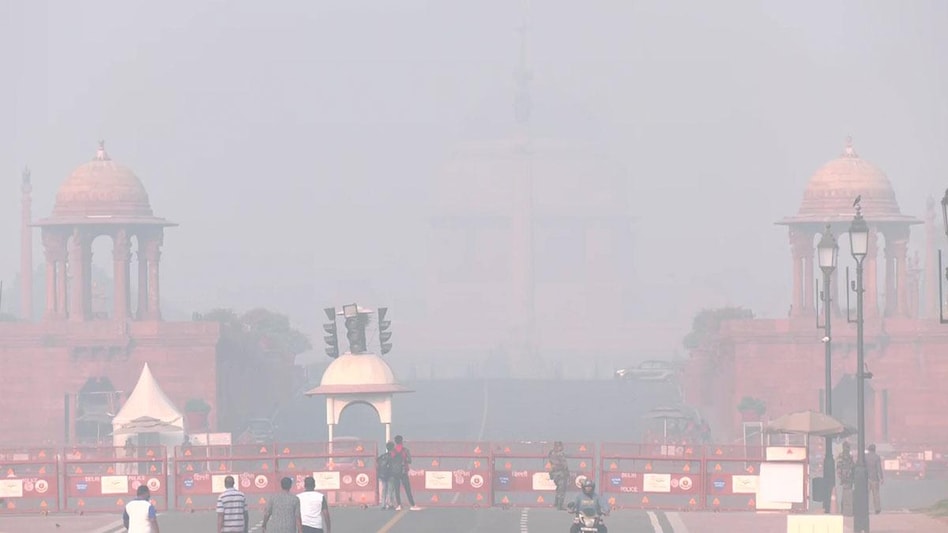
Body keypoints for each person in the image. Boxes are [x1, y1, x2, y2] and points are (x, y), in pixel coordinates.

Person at [390, 435, 420, 511]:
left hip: (395, 472)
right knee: (407, 489)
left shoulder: (393, 451)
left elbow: (391, 461)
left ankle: (399, 505)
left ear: (395, 442)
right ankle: (412, 505)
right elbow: (410, 461)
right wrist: (404, 460)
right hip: (403, 471)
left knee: (397, 489)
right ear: (401, 441)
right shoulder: (405, 450)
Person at [547, 441, 570, 510]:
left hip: (554, 474)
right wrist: (568, 474)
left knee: (558, 488)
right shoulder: (560, 454)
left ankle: (556, 503)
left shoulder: (551, 453)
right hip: (561, 473)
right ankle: (560, 505)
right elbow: (564, 465)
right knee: (562, 489)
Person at [836, 441, 855, 516]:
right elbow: (839, 467)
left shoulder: (847, 456)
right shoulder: (844, 456)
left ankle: (845, 510)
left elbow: (852, 466)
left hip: (847, 477)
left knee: (846, 494)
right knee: (846, 494)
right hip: (846, 477)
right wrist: (841, 476)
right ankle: (846, 510)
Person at [377, 441, 396, 509]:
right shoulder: (394, 456)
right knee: (391, 490)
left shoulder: (382, 456)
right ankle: (390, 504)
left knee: (384, 489)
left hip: (383, 475)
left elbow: (377, 463)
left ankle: (383, 504)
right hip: (391, 475)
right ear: (393, 447)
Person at [867, 444, 884, 514]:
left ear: (868, 449)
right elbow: (879, 468)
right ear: (874, 449)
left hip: (866, 478)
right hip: (875, 478)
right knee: (876, 494)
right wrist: (881, 478)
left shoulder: (865, 457)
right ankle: (877, 509)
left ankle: (865, 508)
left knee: (866, 495)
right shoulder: (877, 457)